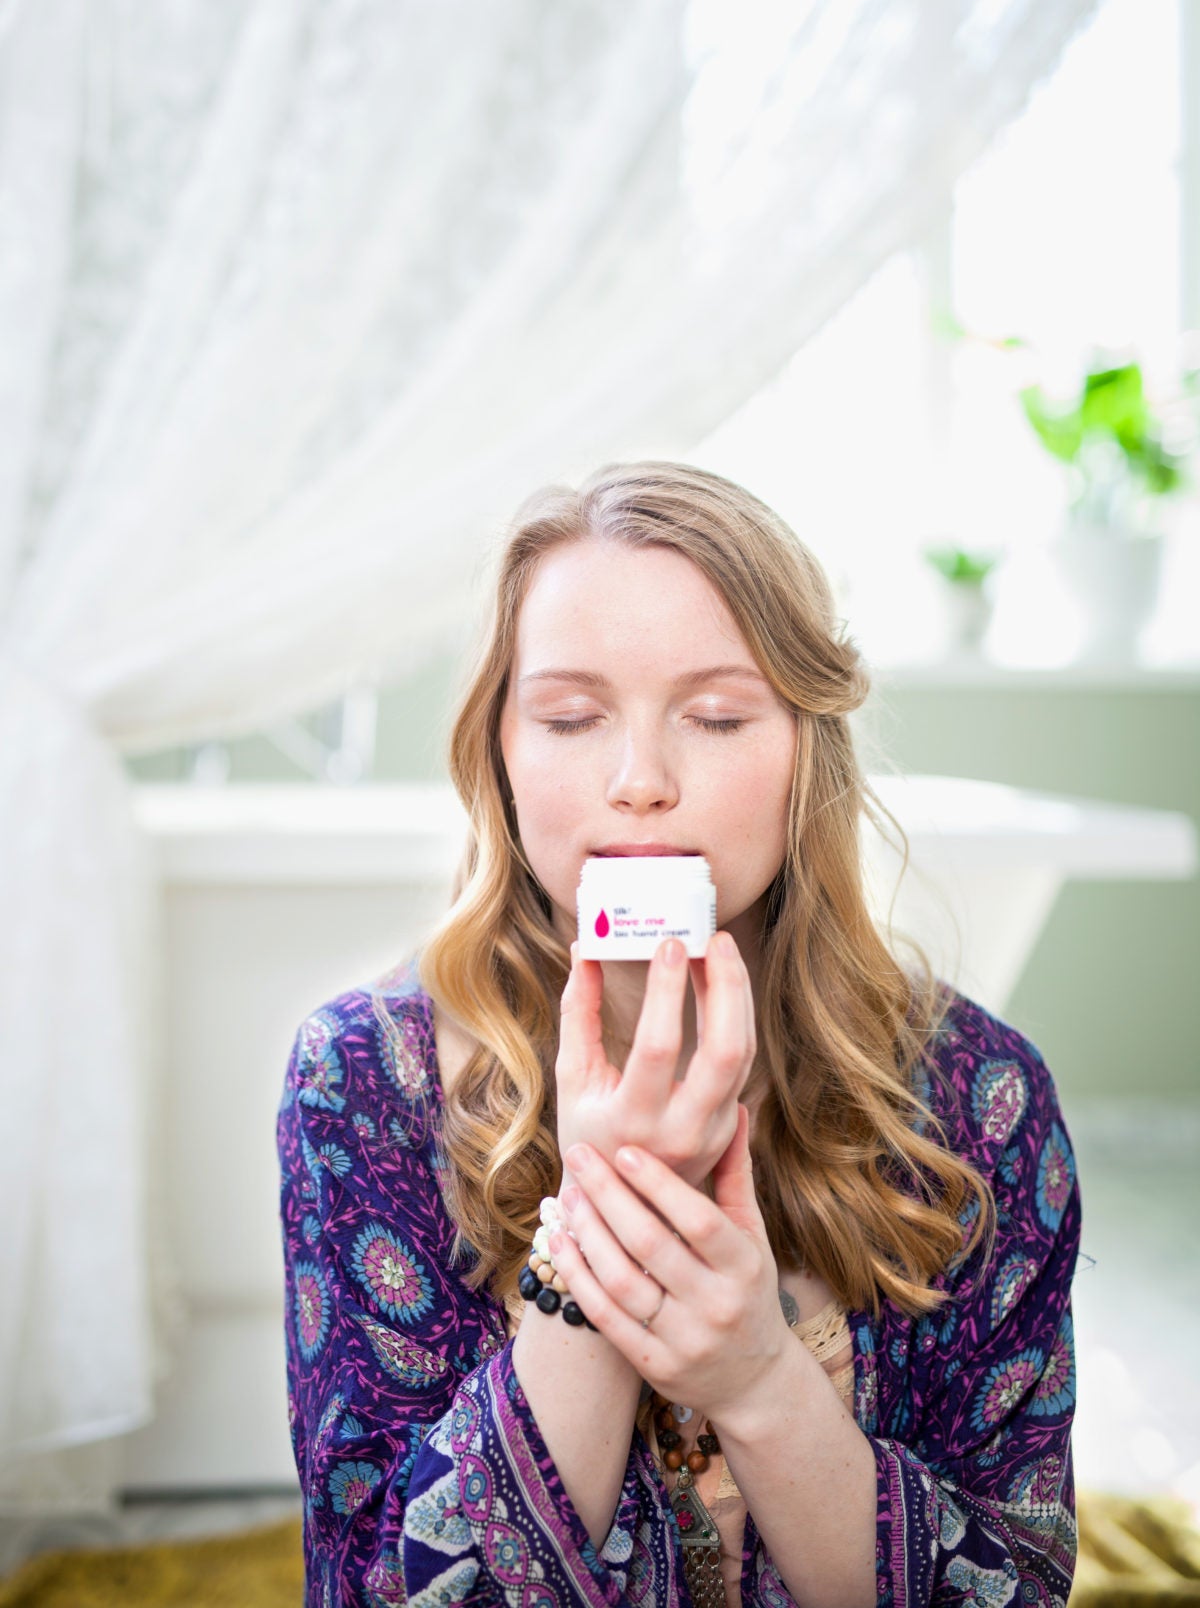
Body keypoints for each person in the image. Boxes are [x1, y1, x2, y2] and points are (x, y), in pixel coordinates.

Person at [277, 461, 1080, 1607]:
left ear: (806, 751)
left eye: (714, 716)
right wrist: (617, 1197)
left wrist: (756, 1376)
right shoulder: (361, 1080)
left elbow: (1020, 1589)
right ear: (500, 756)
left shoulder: (983, 1100)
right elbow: (369, 1590)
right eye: (568, 716)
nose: (641, 781)